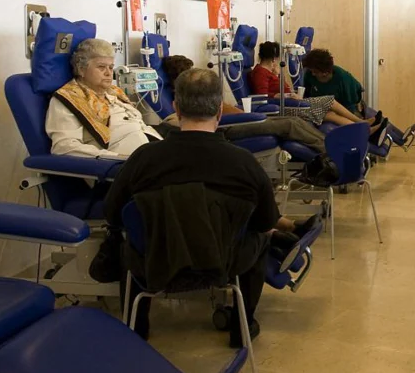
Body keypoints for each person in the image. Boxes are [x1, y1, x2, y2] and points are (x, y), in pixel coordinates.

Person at [103, 68, 286, 346]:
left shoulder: (144, 158)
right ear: (219, 111)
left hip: (152, 262)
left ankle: (137, 329)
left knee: (129, 240)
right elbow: (264, 222)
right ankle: (241, 325)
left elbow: (113, 214)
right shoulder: (243, 162)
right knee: (261, 237)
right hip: (225, 261)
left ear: (176, 108)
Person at [158, 54, 331, 154]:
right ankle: (330, 151)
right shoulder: (182, 98)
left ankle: (329, 146)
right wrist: (241, 114)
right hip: (230, 126)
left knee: (291, 121)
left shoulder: (189, 94)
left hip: (237, 119)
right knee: (289, 124)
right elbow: (174, 122)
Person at [46, 38, 162, 160]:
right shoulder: (68, 99)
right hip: (124, 165)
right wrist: (117, 158)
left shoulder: (114, 93)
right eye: (101, 67)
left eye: (111, 67)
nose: (108, 73)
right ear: (81, 69)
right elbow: (64, 147)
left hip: (152, 152)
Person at [248, 42, 386, 133]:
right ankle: (362, 124)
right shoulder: (260, 72)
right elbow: (262, 97)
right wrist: (287, 96)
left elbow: (280, 89)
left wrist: (278, 76)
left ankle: (363, 127)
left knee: (330, 114)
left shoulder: (269, 72)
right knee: (330, 101)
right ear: (274, 58)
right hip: (285, 108)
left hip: (292, 103)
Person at [303, 48, 415, 147]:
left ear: (325, 72)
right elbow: (306, 95)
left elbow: (352, 101)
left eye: (316, 72)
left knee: (376, 118)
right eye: (312, 71)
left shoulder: (342, 78)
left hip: (349, 106)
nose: (313, 74)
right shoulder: (309, 76)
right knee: (372, 120)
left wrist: (351, 115)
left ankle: (401, 138)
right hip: (324, 109)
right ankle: (396, 137)